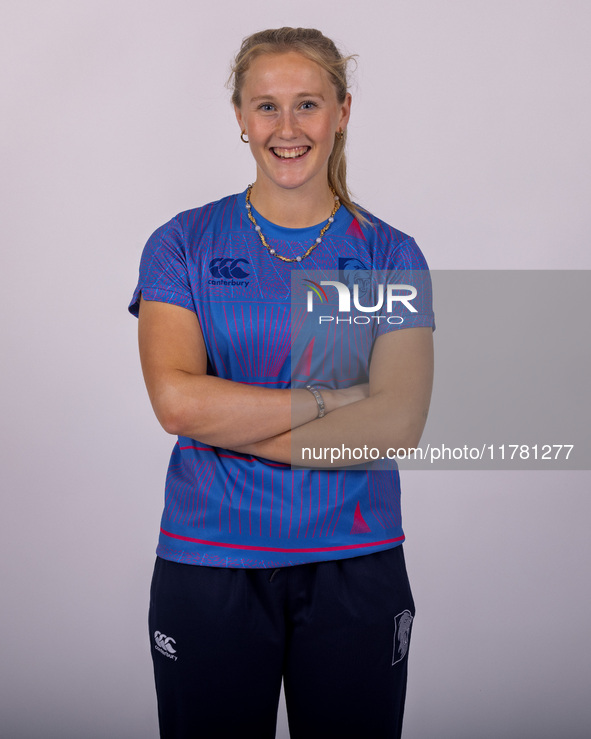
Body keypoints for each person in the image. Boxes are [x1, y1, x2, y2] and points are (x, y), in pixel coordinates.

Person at [129, 26, 434, 739]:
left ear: (342, 112)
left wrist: (231, 418)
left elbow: (396, 425)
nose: (287, 127)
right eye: (266, 106)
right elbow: (176, 402)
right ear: (239, 116)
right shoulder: (182, 242)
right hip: (209, 565)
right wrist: (337, 402)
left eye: (307, 104)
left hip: (355, 564)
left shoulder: (389, 254)